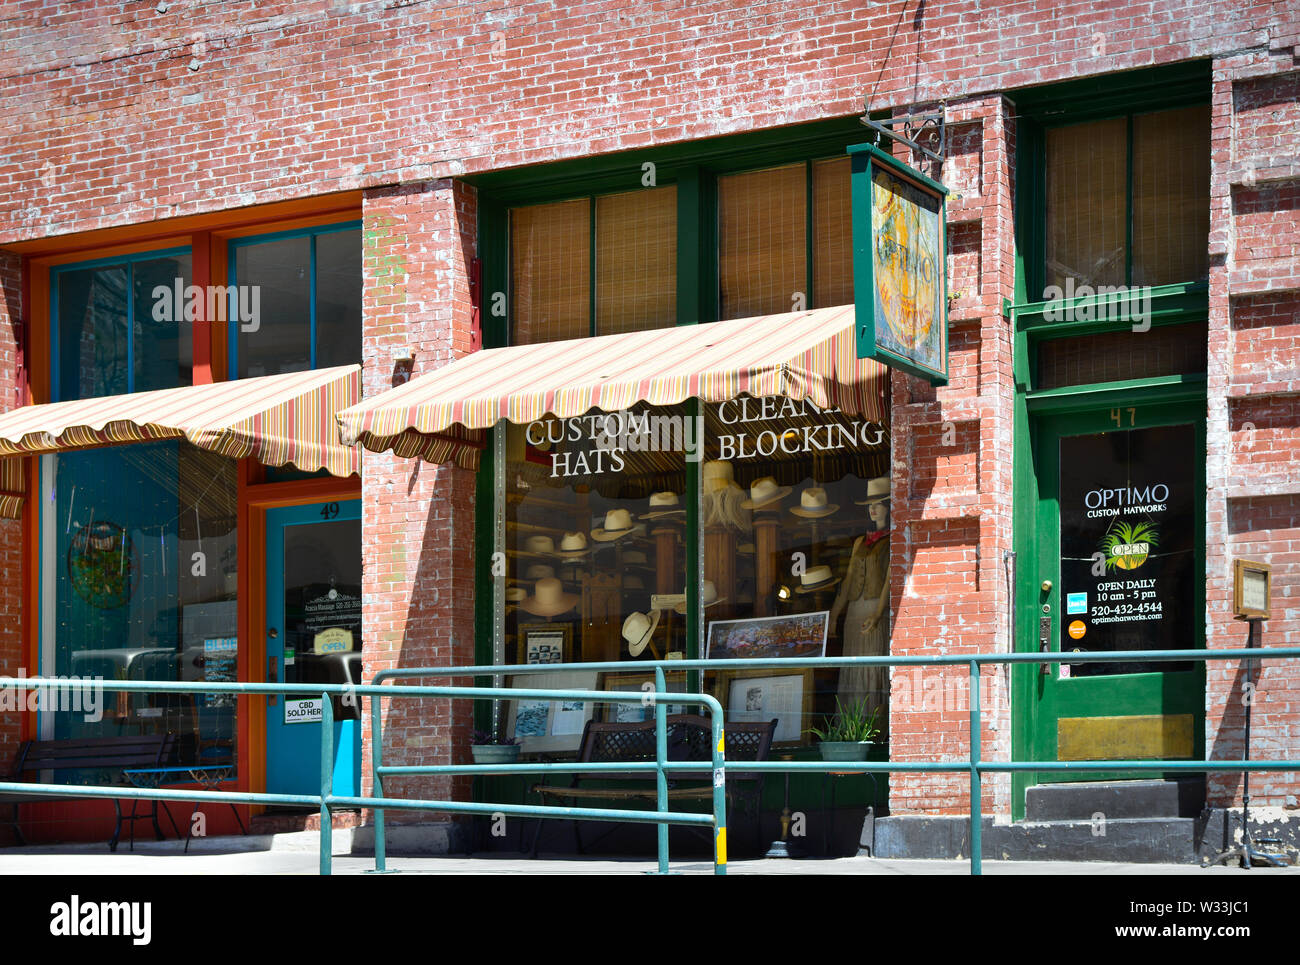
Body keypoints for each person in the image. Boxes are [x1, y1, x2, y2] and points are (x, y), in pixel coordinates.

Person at [829, 476, 891, 727]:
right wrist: (834, 614)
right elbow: (848, 580)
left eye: (878, 503)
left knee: (873, 669)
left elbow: (890, 579)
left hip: (876, 610)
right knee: (854, 671)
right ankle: (850, 727)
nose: (873, 508)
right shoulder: (859, 542)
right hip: (854, 612)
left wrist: (878, 613)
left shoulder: (894, 539)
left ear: (889, 506)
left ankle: (873, 727)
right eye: (869, 504)